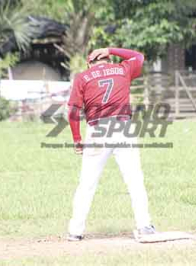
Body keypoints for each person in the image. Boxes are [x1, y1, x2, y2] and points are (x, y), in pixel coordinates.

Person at [66, 47, 155, 241]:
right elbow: (139, 56)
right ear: (109, 59)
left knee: (87, 183)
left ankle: (75, 231)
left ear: (90, 63)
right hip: (123, 127)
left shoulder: (83, 77)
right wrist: (111, 49)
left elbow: (73, 111)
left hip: (97, 129)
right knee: (134, 180)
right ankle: (144, 226)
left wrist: (77, 139)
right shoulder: (122, 69)